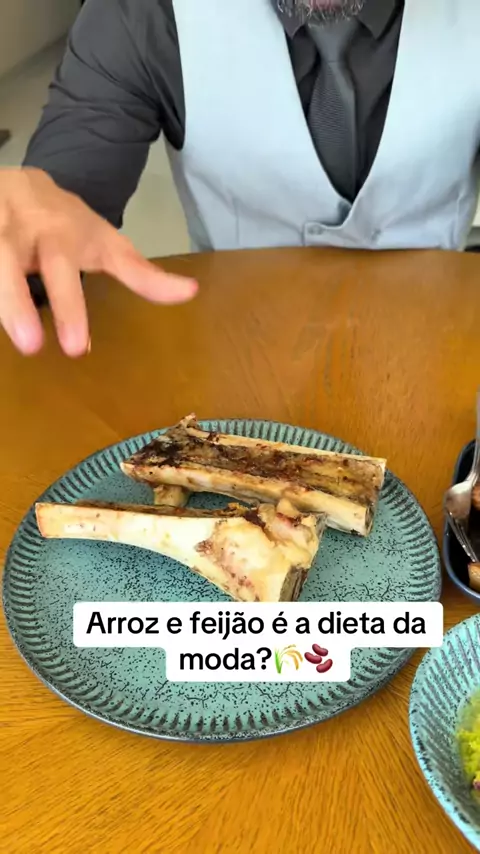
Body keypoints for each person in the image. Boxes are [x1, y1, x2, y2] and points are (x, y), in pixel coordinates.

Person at [0, 0, 479, 357]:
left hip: (439, 356)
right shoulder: (143, 12)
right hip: (234, 369)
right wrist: (25, 232)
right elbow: (56, 206)